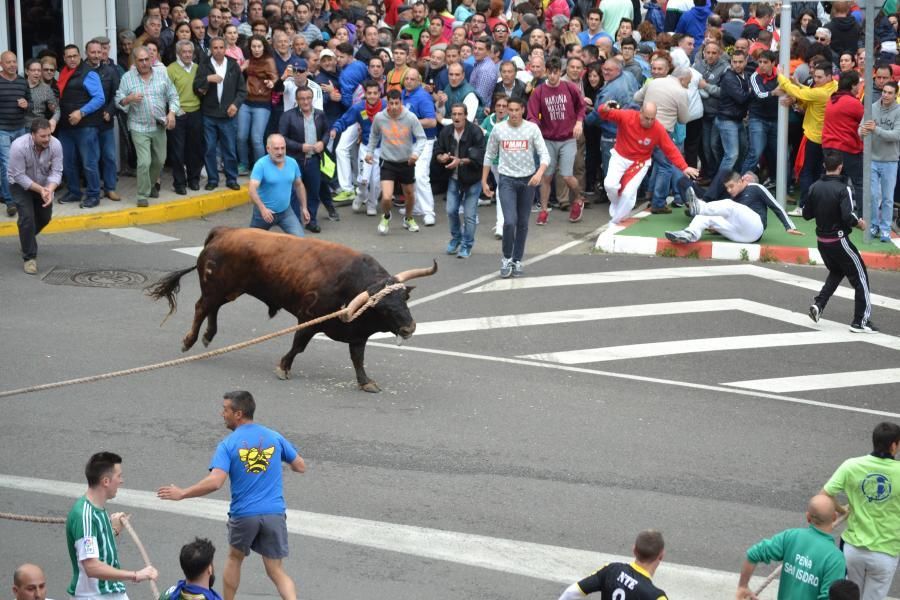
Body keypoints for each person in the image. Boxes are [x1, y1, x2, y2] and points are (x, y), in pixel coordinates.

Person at [157, 391, 306, 600]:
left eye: (225, 409)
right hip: (274, 513)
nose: (222, 414)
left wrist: (182, 493)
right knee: (276, 570)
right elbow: (300, 466)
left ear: (238, 414)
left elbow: (216, 481)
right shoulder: (274, 436)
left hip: (244, 515)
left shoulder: (228, 444)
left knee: (235, 559)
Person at [821, 422, 900, 600]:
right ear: (894, 445)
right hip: (886, 552)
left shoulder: (851, 465)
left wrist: (841, 509)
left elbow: (824, 495)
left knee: (848, 596)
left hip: (853, 549)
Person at [66, 452, 159, 598]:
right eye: (119, 476)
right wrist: (136, 575)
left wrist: (113, 530)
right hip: (95, 595)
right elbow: (91, 567)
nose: (121, 481)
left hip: (111, 592)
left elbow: (96, 547)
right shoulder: (84, 515)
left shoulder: (97, 509)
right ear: (106, 481)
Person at [803, 151, 875, 333]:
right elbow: (848, 215)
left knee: (837, 271)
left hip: (822, 241)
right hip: (839, 240)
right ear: (841, 167)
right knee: (861, 278)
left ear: (824, 166)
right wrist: (859, 223)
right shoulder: (844, 189)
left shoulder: (814, 187)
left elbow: (806, 214)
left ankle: (819, 304)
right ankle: (860, 321)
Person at [597, 101, 698, 224]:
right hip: (619, 156)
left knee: (628, 194)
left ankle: (616, 220)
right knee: (610, 185)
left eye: (652, 119)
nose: (649, 122)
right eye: (646, 118)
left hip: (640, 163)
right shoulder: (626, 116)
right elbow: (604, 115)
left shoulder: (658, 128)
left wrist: (684, 167)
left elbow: (670, 149)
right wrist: (604, 108)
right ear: (640, 113)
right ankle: (617, 205)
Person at [482, 96, 550, 278]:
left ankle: (517, 260)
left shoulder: (532, 129)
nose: (512, 113)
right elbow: (489, 155)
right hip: (507, 181)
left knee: (522, 223)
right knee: (509, 221)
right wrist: (484, 181)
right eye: (509, 110)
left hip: (528, 181)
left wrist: (538, 173)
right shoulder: (498, 129)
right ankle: (506, 257)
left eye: (516, 110)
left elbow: (544, 155)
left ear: (523, 110)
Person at [736, 494, 846, 600]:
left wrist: (743, 586)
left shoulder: (791, 536)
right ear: (834, 517)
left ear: (808, 517)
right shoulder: (836, 558)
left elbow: (753, 554)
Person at [116, 47, 179, 208]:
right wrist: (128, 99)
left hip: (159, 124)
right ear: (135, 61)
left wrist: (171, 113)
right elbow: (118, 100)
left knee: (160, 160)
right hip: (138, 126)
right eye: (140, 60)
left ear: (151, 59)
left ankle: (151, 185)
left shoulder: (162, 75)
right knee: (144, 162)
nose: (144, 63)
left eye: (146, 59)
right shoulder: (127, 78)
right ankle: (142, 194)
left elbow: (173, 95)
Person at [666, 171, 802, 244]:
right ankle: (689, 234)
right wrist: (716, 229)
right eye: (727, 188)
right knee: (704, 217)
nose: (730, 190)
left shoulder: (756, 188)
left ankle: (699, 206)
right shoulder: (733, 198)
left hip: (755, 229)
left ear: (741, 181)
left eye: (732, 186)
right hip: (737, 233)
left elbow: (776, 206)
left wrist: (789, 226)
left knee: (729, 205)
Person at [528, 57, 586, 225]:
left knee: (567, 176)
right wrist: (535, 129)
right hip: (547, 139)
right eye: (550, 72)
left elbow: (581, 106)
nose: (553, 76)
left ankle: (579, 199)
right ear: (546, 72)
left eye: (556, 72)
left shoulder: (569, 88)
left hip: (568, 138)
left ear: (560, 72)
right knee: (546, 176)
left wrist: (579, 122)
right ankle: (544, 210)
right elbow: (532, 115)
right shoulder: (539, 91)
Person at [365, 89, 427, 235]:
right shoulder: (380, 117)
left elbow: (421, 138)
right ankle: (386, 216)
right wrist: (369, 152)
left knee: (410, 194)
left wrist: (416, 154)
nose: (393, 107)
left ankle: (408, 218)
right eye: (391, 103)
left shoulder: (410, 117)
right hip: (388, 161)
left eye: (396, 103)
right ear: (387, 102)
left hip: (406, 162)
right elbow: (374, 135)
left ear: (401, 103)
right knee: (386, 196)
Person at [8, 119, 62, 274]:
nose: (47, 139)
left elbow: (57, 171)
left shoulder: (55, 144)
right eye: (42, 136)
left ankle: (27, 238)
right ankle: (29, 258)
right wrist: (42, 190)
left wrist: (49, 189)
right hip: (20, 185)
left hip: (44, 184)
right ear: (32, 135)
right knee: (27, 218)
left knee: (45, 218)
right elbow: (18, 175)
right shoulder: (19, 146)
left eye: (49, 135)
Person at [193, 37, 246, 192]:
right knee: (209, 149)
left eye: (221, 47)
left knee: (229, 148)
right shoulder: (204, 64)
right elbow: (196, 87)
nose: (218, 50)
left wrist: (235, 105)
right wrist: (208, 79)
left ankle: (231, 179)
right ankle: (213, 179)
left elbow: (242, 90)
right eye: (215, 48)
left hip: (228, 115)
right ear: (210, 49)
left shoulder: (233, 65)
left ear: (225, 48)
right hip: (209, 114)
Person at [279, 86, 333, 232]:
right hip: (294, 160)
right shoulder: (288, 116)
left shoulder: (320, 114)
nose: (305, 101)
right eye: (302, 98)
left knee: (314, 193)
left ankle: (311, 221)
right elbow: (281, 137)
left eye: (308, 98)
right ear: (297, 100)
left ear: (312, 98)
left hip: (314, 160)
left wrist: (323, 142)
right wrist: (299, 146)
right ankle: (295, 222)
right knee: (295, 193)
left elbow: (327, 132)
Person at [55, 45, 103, 208]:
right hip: (66, 127)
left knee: (88, 163)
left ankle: (94, 195)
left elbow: (99, 98)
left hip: (85, 126)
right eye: (69, 56)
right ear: (64, 58)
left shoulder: (89, 73)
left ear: (80, 56)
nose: (73, 59)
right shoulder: (63, 73)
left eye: (75, 55)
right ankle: (74, 192)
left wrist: (81, 113)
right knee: (67, 162)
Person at [556, 530, 668, 600]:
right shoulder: (656, 596)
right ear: (661, 555)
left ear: (634, 549)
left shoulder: (612, 570)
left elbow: (571, 592)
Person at [435, 102, 485, 258]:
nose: (456, 117)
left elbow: (479, 158)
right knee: (450, 210)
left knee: (470, 215)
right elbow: (438, 149)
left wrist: (461, 161)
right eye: (454, 114)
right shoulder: (446, 131)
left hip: (472, 179)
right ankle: (456, 237)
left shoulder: (475, 132)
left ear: (466, 115)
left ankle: (467, 244)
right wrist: (440, 157)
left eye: (459, 114)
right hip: (454, 178)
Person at [244, 133, 308, 235]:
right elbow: (252, 189)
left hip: (286, 212)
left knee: (299, 240)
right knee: (251, 242)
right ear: (268, 149)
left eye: (283, 148)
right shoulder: (260, 165)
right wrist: (263, 209)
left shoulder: (292, 163)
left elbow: (299, 185)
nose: (280, 152)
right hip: (264, 214)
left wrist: (304, 208)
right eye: (276, 149)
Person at [860, 81, 900, 243]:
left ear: (896, 94)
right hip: (871, 158)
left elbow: (896, 135)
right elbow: (861, 128)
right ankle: (873, 225)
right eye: (884, 91)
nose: (886, 95)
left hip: (890, 160)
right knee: (873, 196)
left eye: (890, 92)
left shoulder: (898, 111)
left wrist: (875, 129)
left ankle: (885, 229)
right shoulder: (872, 107)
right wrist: (861, 131)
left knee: (888, 198)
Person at [401, 68, 438, 226]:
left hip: (425, 140)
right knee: (411, 174)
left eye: (412, 79)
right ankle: (415, 207)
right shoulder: (404, 94)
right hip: (409, 141)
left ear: (418, 81)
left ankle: (429, 212)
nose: (409, 81)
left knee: (422, 175)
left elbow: (432, 121)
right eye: (407, 78)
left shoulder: (423, 97)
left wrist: (410, 123)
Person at [167, 40, 204, 195]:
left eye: (190, 52)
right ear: (178, 53)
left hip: (196, 112)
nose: (188, 54)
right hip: (178, 114)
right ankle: (179, 183)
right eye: (184, 52)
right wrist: (174, 111)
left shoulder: (197, 68)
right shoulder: (170, 70)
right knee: (178, 151)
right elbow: (166, 93)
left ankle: (193, 179)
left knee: (194, 149)